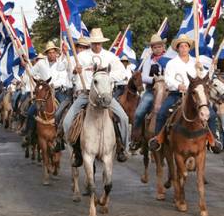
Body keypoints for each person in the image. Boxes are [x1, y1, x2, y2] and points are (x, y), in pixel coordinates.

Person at [62, 28, 129, 165]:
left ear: (102, 43)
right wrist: (75, 71)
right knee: (67, 121)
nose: (96, 45)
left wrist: (106, 77)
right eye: (94, 43)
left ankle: (123, 147)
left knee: (123, 117)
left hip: (105, 95)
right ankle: (76, 151)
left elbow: (122, 73)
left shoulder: (110, 56)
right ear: (90, 43)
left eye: (99, 43)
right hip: (86, 94)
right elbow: (69, 75)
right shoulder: (81, 57)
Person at [148, 34, 222, 153]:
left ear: (189, 48)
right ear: (177, 48)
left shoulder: (196, 62)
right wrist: (178, 86)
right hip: (177, 94)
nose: (183, 49)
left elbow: (204, 79)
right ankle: (158, 139)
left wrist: (203, 68)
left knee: (211, 114)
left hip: (194, 96)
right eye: (181, 46)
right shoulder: (172, 63)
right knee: (162, 113)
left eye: (185, 46)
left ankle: (213, 140)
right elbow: (168, 79)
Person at [129, 33, 166, 150]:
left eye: (159, 46)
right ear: (152, 49)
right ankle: (136, 138)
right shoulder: (148, 61)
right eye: (155, 47)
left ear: (163, 47)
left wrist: (165, 79)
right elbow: (144, 77)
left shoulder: (170, 59)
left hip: (167, 90)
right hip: (151, 90)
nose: (158, 49)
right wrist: (154, 79)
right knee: (139, 112)